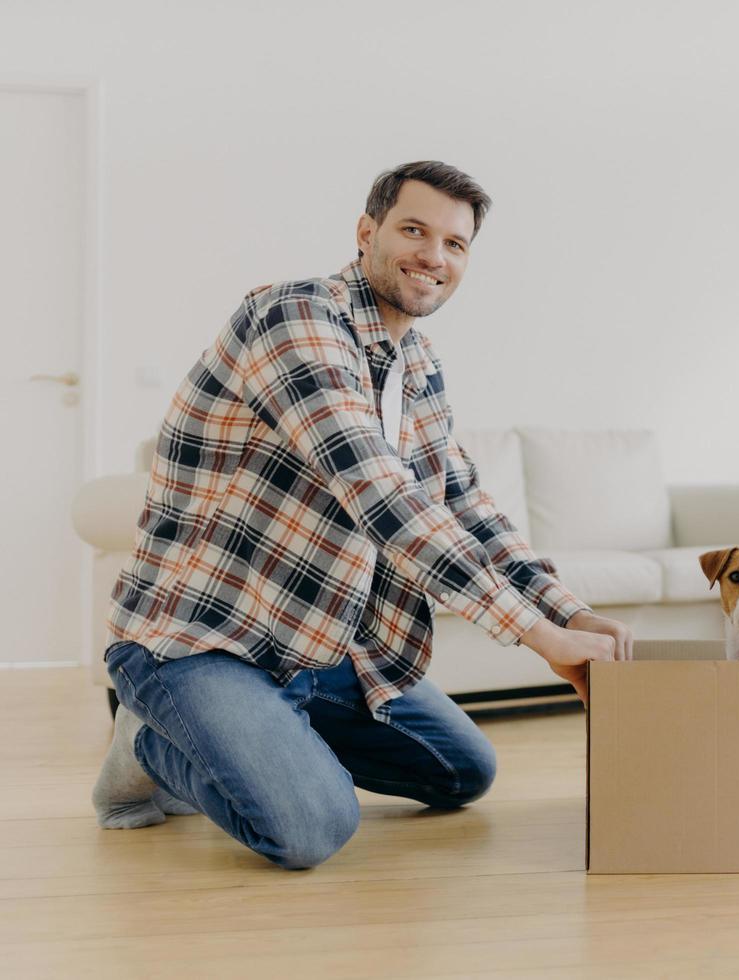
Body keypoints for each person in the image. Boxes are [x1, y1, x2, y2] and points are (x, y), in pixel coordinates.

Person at [91, 161, 631, 869]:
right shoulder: (293, 318)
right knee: (312, 828)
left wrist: (569, 614)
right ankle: (152, 738)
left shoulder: (419, 367)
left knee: (463, 773)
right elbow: (382, 496)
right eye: (414, 229)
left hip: (320, 651)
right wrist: (534, 634)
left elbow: (464, 508)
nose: (433, 256)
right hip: (201, 640)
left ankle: (260, 732)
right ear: (366, 232)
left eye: (455, 244)